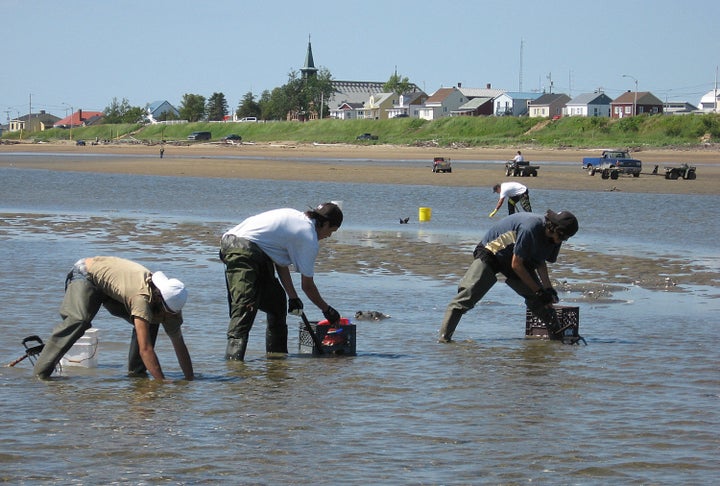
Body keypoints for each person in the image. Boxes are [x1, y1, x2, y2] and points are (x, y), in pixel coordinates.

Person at [33, 256, 194, 381]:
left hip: (113, 289)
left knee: (152, 320)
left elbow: (180, 346)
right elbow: (145, 349)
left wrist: (189, 380)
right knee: (80, 320)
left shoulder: (172, 306)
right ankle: (41, 374)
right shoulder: (141, 298)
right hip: (86, 275)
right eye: (167, 314)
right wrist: (161, 382)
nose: (169, 317)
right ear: (160, 300)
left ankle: (137, 375)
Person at [219, 202, 344, 361]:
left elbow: (280, 262)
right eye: (331, 231)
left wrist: (292, 298)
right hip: (240, 249)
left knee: (277, 303)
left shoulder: (296, 218)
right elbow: (308, 286)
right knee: (245, 307)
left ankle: (277, 362)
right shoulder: (308, 237)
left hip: (255, 252)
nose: (329, 236)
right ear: (325, 223)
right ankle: (234, 369)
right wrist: (328, 310)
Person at [438, 210, 579, 343]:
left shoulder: (555, 239)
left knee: (541, 302)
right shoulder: (531, 228)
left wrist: (548, 290)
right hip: (493, 252)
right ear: (555, 229)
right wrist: (539, 291)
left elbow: (540, 262)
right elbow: (516, 265)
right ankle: (444, 341)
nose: (563, 241)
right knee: (466, 298)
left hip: (519, 258)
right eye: (563, 237)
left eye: (566, 238)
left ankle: (557, 340)